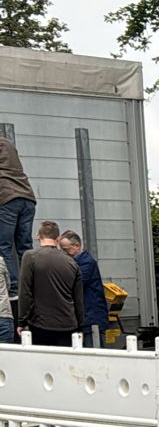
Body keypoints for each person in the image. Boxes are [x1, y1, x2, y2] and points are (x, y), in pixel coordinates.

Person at [17, 219, 84, 346]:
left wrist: (22, 321)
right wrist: (80, 325)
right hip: (68, 325)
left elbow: (25, 293)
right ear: (58, 238)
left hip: (40, 325)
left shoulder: (30, 257)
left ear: (38, 236)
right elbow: (78, 298)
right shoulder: (72, 262)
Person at [58, 231, 111, 346]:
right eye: (61, 249)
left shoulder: (87, 263)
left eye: (66, 249)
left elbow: (76, 285)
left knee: (93, 350)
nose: (64, 253)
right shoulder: (80, 262)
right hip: (87, 317)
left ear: (77, 246)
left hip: (91, 318)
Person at [0, 136, 37, 295]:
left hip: (8, 197)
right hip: (27, 197)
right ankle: (32, 286)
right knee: (25, 246)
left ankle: (14, 288)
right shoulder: (8, 144)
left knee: (4, 247)